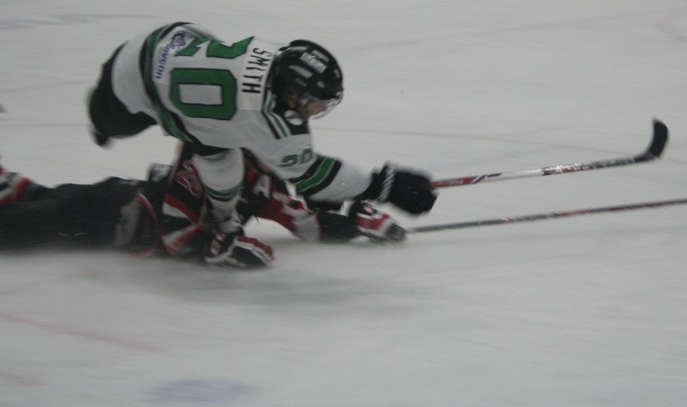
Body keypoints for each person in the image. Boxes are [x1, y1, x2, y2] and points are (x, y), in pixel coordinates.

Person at [87, 22, 436, 266]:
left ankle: (220, 214)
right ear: (293, 94)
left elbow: (282, 167)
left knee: (217, 145)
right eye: (317, 102)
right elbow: (314, 175)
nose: (320, 110)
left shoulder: (273, 61)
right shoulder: (264, 119)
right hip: (132, 83)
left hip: (169, 40)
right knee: (108, 127)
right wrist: (383, 185)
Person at [0, 148, 408, 262]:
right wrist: (225, 247)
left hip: (111, 213)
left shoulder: (262, 182)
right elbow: (177, 236)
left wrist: (354, 223)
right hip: (110, 210)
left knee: (39, 199)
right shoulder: (205, 158)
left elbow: (305, 223)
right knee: (22, 225)